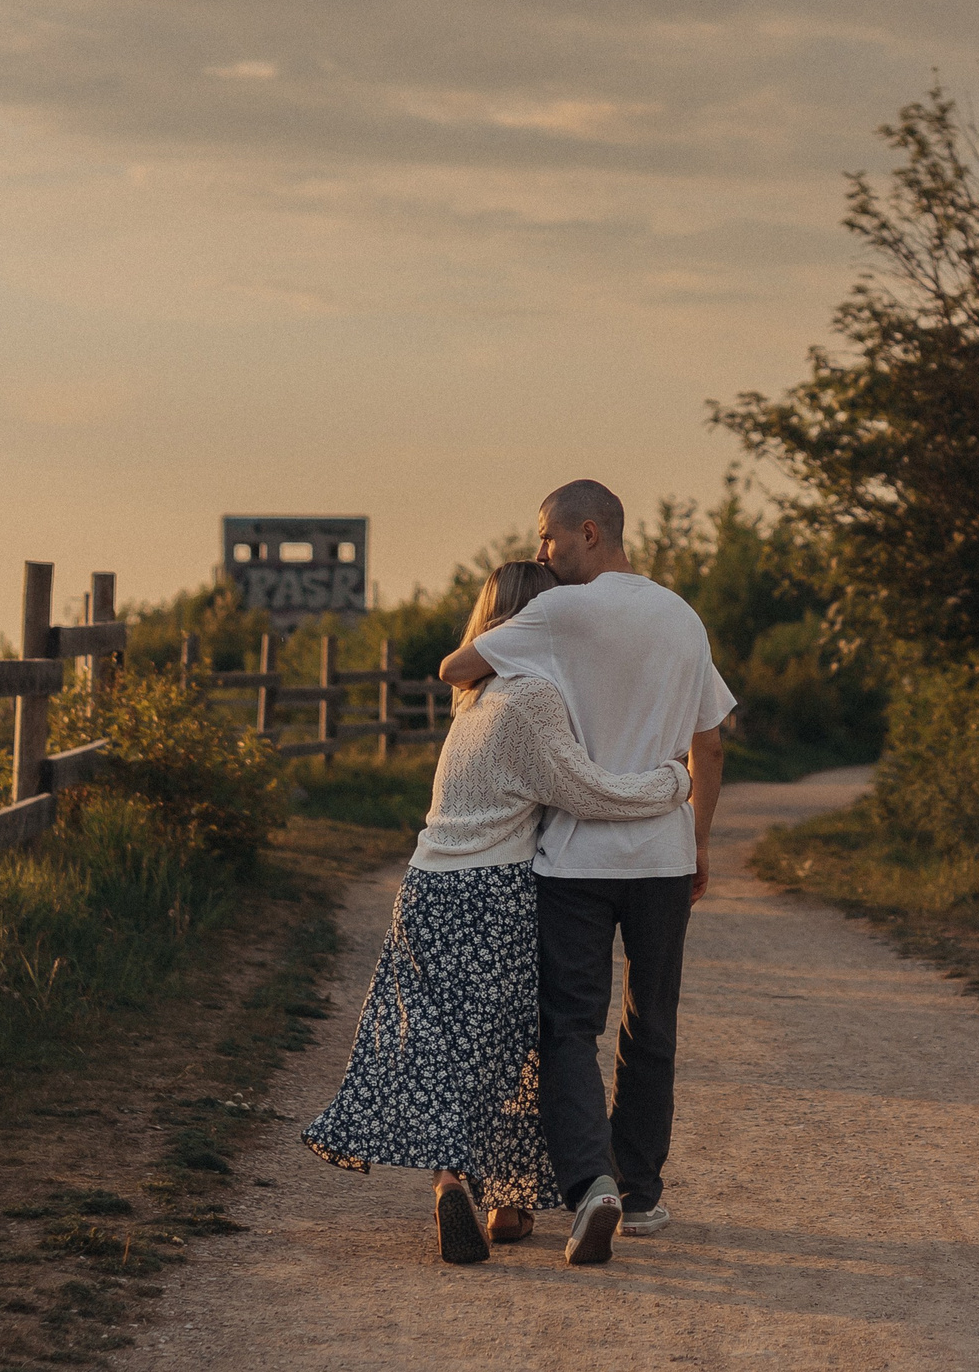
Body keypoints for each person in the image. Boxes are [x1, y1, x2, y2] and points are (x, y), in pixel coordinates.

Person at [303, 560, 695, 1267]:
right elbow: (587, 792)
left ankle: (474, 1188)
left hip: (422, 892)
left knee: (449, 1053)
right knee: (508, 1055)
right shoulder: (532, 698)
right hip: (491, 899)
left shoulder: (473, 706)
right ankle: (499, 1192)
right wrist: (673, 783)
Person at [438, 479, 732, 1266]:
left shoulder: (560, 612)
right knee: (652, 1023)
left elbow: (459, 665)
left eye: (549, 539)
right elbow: (710, 743)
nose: (542, 553)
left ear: (590, 533)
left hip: (575, 860)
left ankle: (589, 1183)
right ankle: (638, 1194)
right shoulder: (682, 616)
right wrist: (698, 838)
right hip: (663, 856)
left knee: (570, 1026)